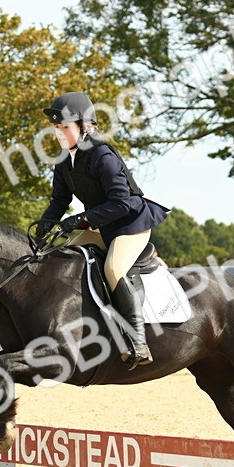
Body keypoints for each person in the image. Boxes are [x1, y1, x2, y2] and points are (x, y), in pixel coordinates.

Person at [34, 91, 169, 369]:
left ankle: (138, 341)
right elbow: (60, 201)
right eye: (57, 128)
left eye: (65, 128)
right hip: (102, 225)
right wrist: (44, 227)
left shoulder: (102, 155)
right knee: (64, 257)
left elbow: (121, 202)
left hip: (130, 223)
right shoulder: (63, 160)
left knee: (113, 269)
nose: (59, 134)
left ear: (83, 126)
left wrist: (80, 220)